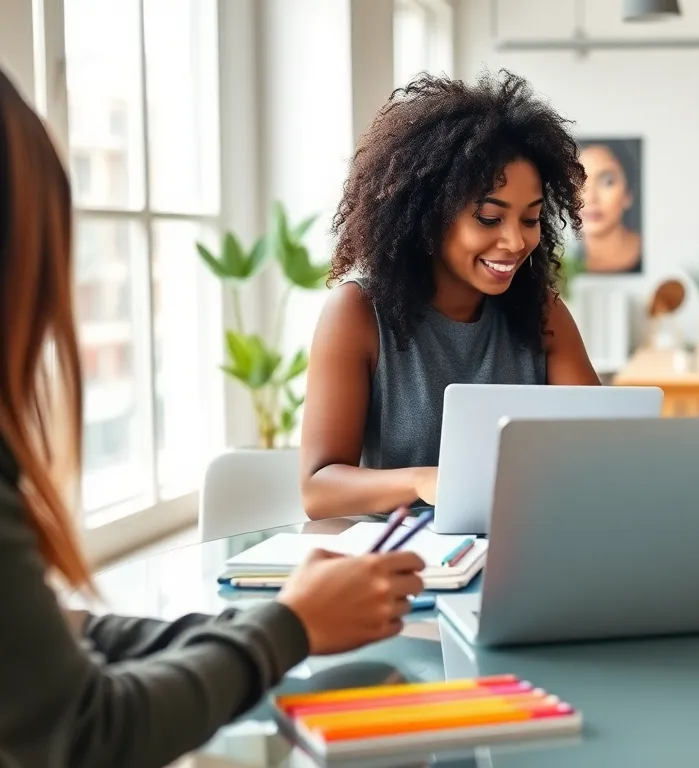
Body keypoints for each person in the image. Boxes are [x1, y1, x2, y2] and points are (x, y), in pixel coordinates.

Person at [0, 69, 427, 766]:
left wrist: (277, 624)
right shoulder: (357, 308)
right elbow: (86, 732)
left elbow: (67, 636)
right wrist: (287, 626)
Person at [300, 71, 601, 521]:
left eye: (530, 219)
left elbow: (603, 449)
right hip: (399, 561)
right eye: (488, 218)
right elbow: (318, 489)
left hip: (522, 545)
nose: (516, 242)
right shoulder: (357, 313)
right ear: (428, 215)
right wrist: (424, 480)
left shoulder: (543, 314)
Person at [576, 140, 642, 273]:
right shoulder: (559, 266)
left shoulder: (656, 253)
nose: (590, 198)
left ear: (628, 194)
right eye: (577, 181)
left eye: (607, 182)